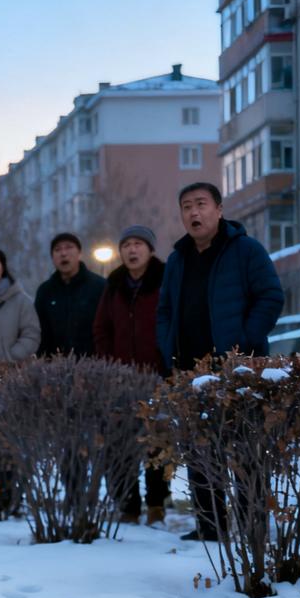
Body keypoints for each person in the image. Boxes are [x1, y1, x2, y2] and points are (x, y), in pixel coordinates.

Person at [157, 182, 284, 541]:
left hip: (239, 370)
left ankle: (252, 523)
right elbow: (165, 310)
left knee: (245, 450)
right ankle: (210, 525)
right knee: (200, 451)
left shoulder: (245, 250)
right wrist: (168, 350)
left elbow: (271, 297)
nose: (194, 213)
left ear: (219, 209)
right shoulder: (178, 259)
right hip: (191, 371)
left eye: (201, 204)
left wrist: (242, 346)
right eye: (186, 207)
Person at [93, 225, 168, 525]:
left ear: (150, 250)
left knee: (157, 443)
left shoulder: (165, 280)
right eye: (126, 245)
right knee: (120, 444)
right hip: (121, 378)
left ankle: (156, 505)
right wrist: (109, 365)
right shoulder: (113, 285)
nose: (132, 250)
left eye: (138, 244)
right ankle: (127, 505)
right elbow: (101, 329)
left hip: (157, 375)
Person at [35, 232, 105, 357]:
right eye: (57, 250)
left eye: (69, 247)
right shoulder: (45, 291)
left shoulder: (100, 286)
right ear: (52, 257)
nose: (63, 253)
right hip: (54, 367)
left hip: (94, 366)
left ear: (79, 253)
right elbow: (40, 331)